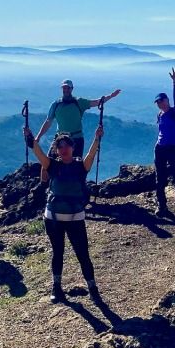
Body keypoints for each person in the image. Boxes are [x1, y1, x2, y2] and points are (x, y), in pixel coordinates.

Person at [23, 123, 104, 303]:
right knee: (57, 252)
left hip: (74, 218)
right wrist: (29, 137)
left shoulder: (81, 166)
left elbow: (91, 154)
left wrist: (97, 138)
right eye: (60, 146)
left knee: (83, 254)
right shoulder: (52, 165)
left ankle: (93, 288)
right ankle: (57, 287)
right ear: (57, 149)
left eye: (67, 145)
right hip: (53, 218)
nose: (63, 149)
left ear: (73, 147)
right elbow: (38, 153)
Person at [34, 80, 121, 160]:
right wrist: (38, 136)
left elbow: (97, 102)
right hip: (60, 138)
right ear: (62, 89)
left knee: (75, 166)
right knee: (50, 163)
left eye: (68, 88)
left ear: (72, 89)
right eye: (64, 88)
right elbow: (48, 122)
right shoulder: (56, 104)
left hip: (76, 139)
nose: (66, 90)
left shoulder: (79, 102)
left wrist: (111, 96)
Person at [153, 67, 175, 219]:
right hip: (160, 148)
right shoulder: (159, 114)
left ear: (167, 100)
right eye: (158, 102)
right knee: (159, 178)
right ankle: (162, 206)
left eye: (162, 100)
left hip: (174, 148)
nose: (160, 103)